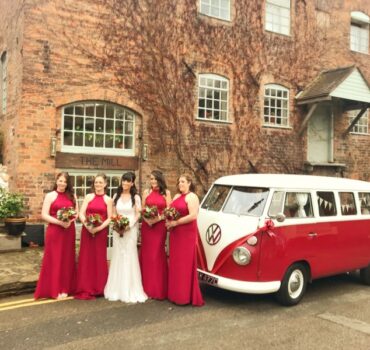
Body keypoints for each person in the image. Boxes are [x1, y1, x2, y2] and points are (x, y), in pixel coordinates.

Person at [104, 172, 147, 303]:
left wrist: (129, 225)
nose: (125, 183)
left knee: (129, 255)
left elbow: (137, 215)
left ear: (132, 183)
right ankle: (116, 288)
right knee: (118, 255)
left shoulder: (136, 197)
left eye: (128, 181)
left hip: (130, 229)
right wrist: (116, 224)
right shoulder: (116, 195)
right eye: (123, 181)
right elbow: (113, 213)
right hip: (118, 229)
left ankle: (130, 288)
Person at [34, 172, 77, 299]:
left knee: (67, 259)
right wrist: (60, 222)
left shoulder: (72, 196)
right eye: (60, 180)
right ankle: (54, 289)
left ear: (67, 183)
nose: (62, 183)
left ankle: (66, 288)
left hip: (69, 230)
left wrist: (70, 220)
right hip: (55, 231)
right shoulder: (50, 195)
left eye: (65, 181)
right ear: (56, 181)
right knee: (55, 258)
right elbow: (44, 215)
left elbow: (76, 213)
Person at [165, 174, 204, 306]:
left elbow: (193, 215)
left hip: (187, 234)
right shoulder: (176, 196)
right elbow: (170, 210)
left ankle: (184, 296)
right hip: (176, 234)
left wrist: (176, 222)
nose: (180, 184)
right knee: (175, 262)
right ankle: (174, 294)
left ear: (189, 183)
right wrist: (169, 220)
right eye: (179, 181)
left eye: (182, 181)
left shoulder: (192, 197)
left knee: (184, 264)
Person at [75, 173, 113, 300]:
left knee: (98, 258)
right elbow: (81, 213)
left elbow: (109, 218)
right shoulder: (88, 196)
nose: (98, 185)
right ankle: (85, 286)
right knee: (86, 258)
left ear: (105, 184)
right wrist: (87, 225)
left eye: (100, 182)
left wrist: (98, 228)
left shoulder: (108, 199)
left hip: (100, 232)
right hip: (87, 231)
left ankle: (99, 287)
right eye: (96, 182)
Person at [140, 170, 171, 300]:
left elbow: (169, 211)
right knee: (147, 255)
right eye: (151, 179)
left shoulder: (166, 193)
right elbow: (142, 209)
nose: (153, 181)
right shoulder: (146, 192)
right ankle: (146, 288)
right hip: (147, 227)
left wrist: (157, 219)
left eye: (155, 179)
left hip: (159, 227)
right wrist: (147, 220)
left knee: (157, 255)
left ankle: (158, 288)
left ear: (160, 180)